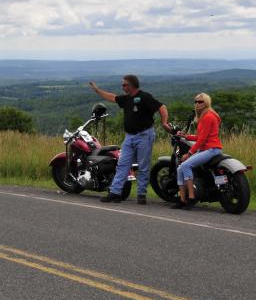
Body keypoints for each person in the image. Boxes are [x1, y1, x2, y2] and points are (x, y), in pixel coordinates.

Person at [89, 75, 171, 204]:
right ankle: (115, 193)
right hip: (129, 137)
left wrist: (164, 123)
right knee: (122, 164)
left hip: (144, 135)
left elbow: (162, 108)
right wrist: (97, 90)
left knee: (143, 166)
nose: (122, 87)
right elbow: (112, 97)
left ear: (132, 85)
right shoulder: (126, 99)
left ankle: (141, 195)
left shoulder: (144, 97)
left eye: (124, 85)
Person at [172, 93, 223, 210]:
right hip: (209, 149)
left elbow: (202, 139)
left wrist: (189, 153)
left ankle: (191, 197)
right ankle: (182, 199)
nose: (197, 104)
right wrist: (185, 136)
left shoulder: (208, 116)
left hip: (211, 149)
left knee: (185, 165)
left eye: (200, 102)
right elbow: (200, 136)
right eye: (195, 101)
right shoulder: (205, 115)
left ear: (206, 103)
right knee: (180, 169)